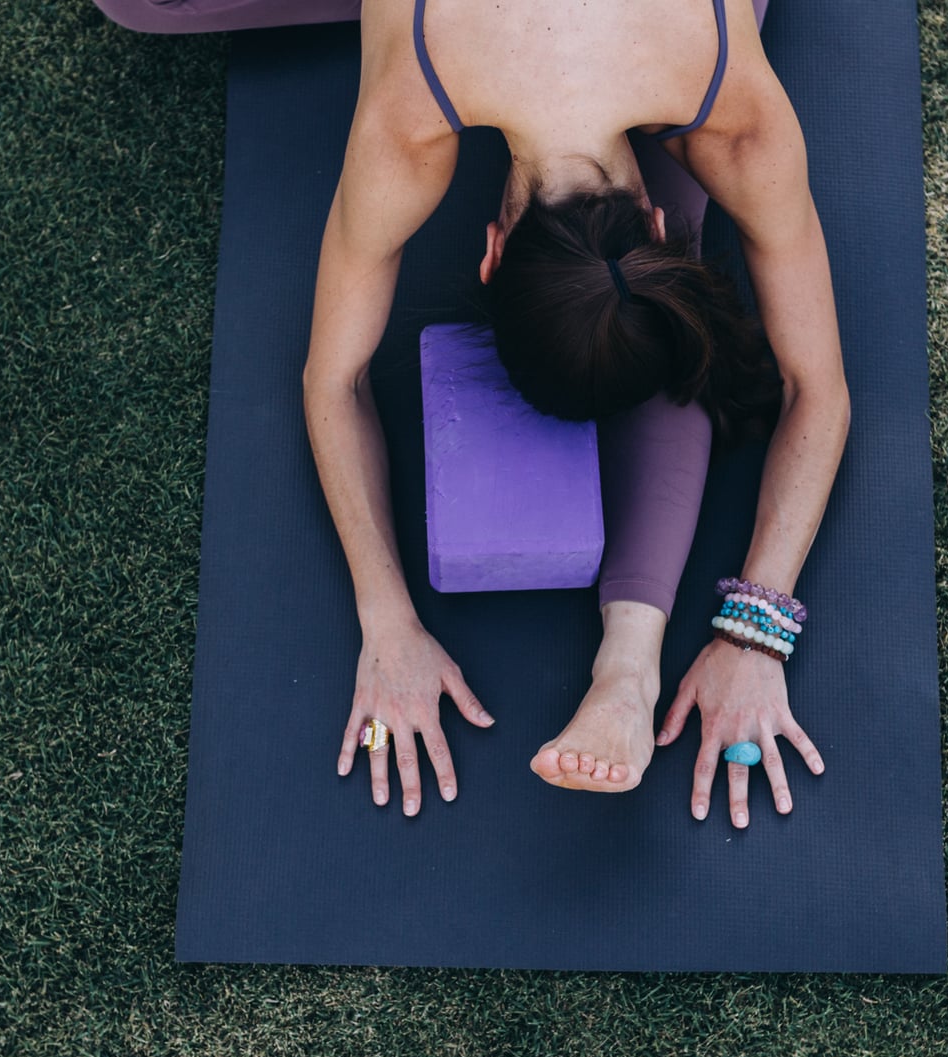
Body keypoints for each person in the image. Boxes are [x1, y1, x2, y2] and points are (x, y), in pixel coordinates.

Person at [94, 0, 847, 830]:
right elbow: (329, 382)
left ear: (490, 251)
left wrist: (756, 633)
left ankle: (628, 668)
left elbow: (336, 379)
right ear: (491, 256)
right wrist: (388, 623)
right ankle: (627, 666)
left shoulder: (420, 118)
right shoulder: (722, 120)